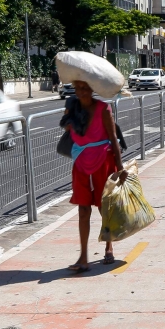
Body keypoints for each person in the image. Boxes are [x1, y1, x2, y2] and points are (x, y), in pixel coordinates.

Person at [60, 80, 127, 273]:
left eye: (86, 88)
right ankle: (83, 257)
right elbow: (67, 130)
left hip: (103, 161)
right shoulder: (72, 106)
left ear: (92, 89)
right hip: (81, 162)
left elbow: (113, 137)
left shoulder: (103, 109)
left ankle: (108, 245)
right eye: (78, 88)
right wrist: (68, 116)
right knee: (83, 209)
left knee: (103, 207)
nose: (82, 92)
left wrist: (120, 168)